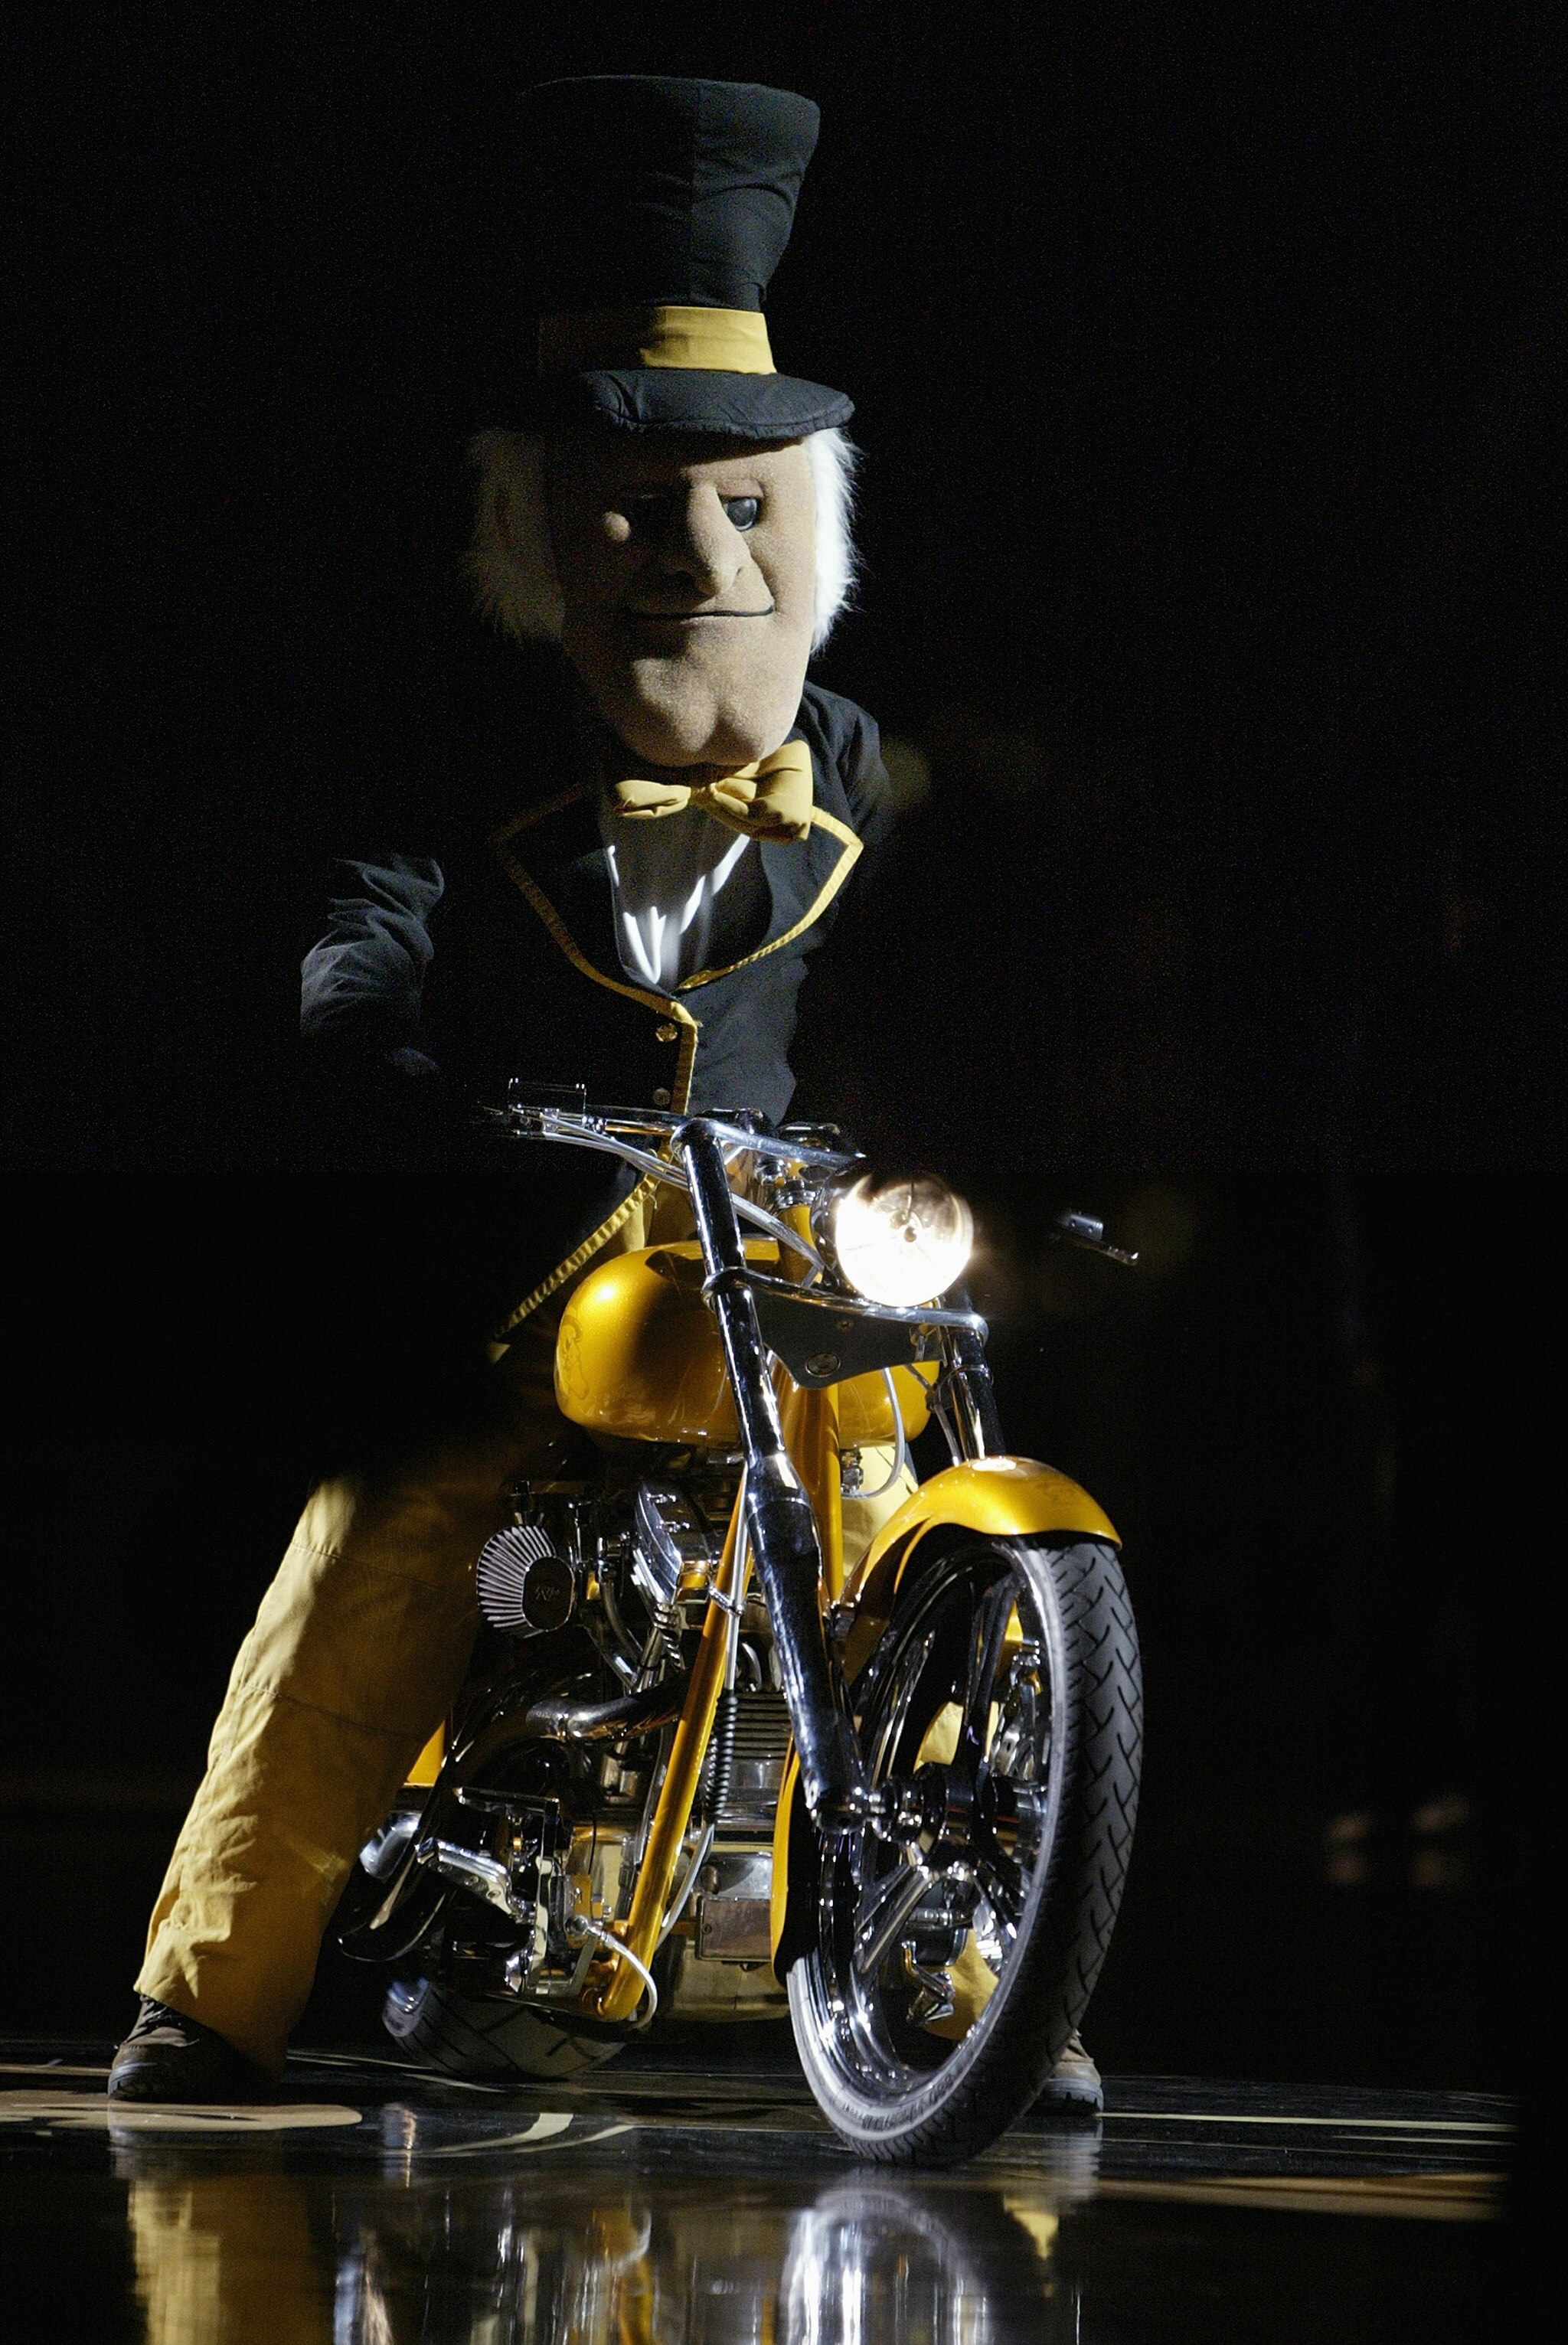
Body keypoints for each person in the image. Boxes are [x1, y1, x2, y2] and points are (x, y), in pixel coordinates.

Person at [108, 75, 1101, 2112]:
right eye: (634, 510)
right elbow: (359, 928)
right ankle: (210, 1986)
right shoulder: (445, 758)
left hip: (797, 1239)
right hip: (539, 1234)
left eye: (741, 505)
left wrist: (989, 1156)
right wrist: (363, 1051)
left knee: (911, 1492)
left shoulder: (875, 780)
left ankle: (999, 1982)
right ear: (536, 530)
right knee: (384, 1532)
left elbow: (975, 996)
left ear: (810, 525)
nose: (685, 554)